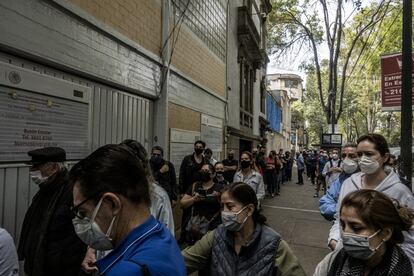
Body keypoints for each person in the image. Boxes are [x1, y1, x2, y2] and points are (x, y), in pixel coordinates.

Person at [70, 144, 186, 276]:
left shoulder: (130, 270)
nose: (80, 223)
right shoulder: (159, 235)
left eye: (83, 213)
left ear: (112, 204)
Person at [327, 134, 414, 268]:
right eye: (360, 154)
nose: (363, 159)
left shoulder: (401, 192)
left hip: (384, 265)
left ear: (385, 157)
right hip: (347, 260)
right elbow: (339, 219)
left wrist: (403, 267)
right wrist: (334, 240)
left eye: (369, 154)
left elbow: (410, 238)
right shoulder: (348, 184)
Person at [182, 182, 306, 275]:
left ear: (249, 210)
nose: (224, 212)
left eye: (230, 207)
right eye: (222, 207)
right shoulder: (215, 237)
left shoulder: (274, 245)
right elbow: (181, 261)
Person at [18, 147, 87, 276]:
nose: (32, 171)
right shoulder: (45, 190)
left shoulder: (72, 193)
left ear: (54, 167)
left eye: (37, 166)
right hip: (39, 268)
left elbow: (83, 234)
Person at [314, 190, 414, 275]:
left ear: (385, 234)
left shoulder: (401, 270)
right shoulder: (333, 261)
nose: (345, 234)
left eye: (356, 228)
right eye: (343, 225)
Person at [180, 163, 222, 245]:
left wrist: (219, 198)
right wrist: (193, 199)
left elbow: (225, 207)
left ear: (213, 174)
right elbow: (182, 204)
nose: (203, 172)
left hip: (213, 227)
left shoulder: (220, 188)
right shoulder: (195, 185)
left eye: (206, 171)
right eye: (202, 171)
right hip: (195, 227)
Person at [319, 143, 358, 219]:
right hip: (329, 184)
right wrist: (344, 211)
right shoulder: (341, 179)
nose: (347, 159)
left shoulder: (369, 179)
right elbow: (325, 205)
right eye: (344, 156)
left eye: (351, 156)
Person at [179, 140, 206, 242]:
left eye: (200, 147)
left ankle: (195, 235)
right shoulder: (187, 159)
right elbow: (181, 174)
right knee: (186, 213)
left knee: (197, 212)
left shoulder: (205, 160)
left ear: (203, 149)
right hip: (188, 190)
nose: (198, 148)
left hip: (200, 189)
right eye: (196, 146)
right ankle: (183, 235)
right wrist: (181, 191)